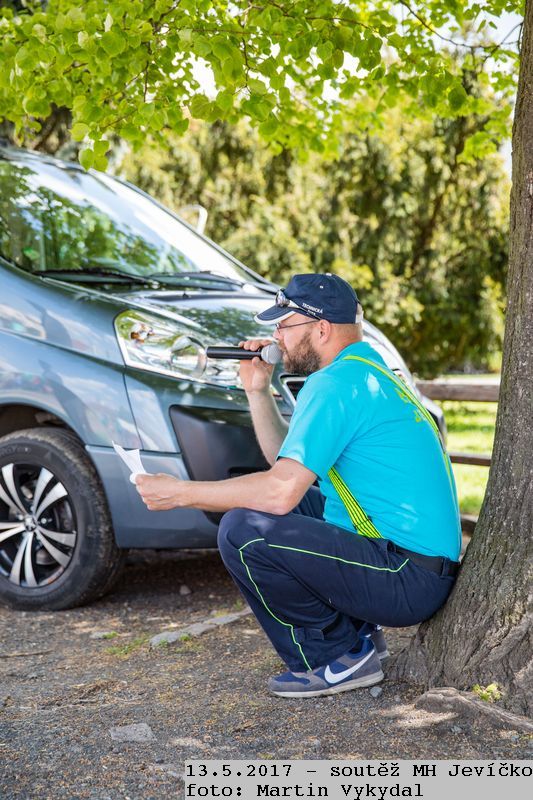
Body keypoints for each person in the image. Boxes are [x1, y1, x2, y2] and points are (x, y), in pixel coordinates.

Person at [135, 273, 461, 698]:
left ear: (321, 328)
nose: (276, 337)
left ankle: (335, 656)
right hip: (416, 567)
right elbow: (285, 466)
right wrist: (257, 390)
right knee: (289, 505)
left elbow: (277, 491)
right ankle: (361, 635)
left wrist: (181, 493)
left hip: (405, 577)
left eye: (284, 325)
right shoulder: (365, 371)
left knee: (243, 531)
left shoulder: (335, 385)